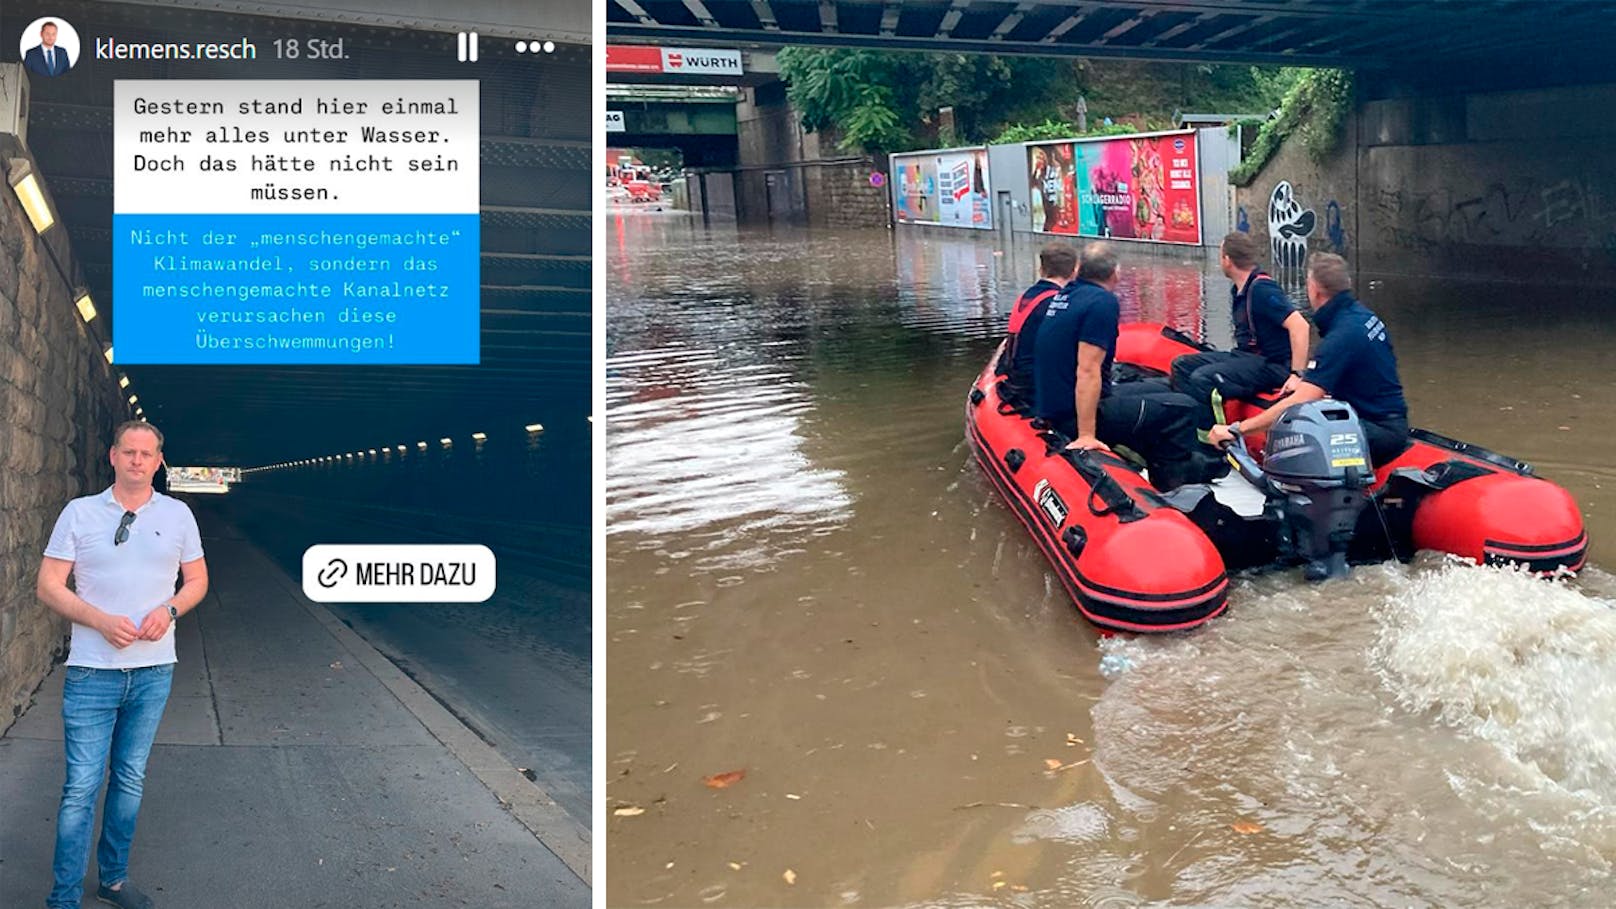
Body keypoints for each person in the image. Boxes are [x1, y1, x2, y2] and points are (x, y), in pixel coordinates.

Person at [37, 421, 208, 909]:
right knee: (81, 788)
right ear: (112, 456)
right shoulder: (80, 513)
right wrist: (98, 620)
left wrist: (169, 609)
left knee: (130, 778)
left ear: (158, 461)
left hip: (154, 670)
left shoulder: (178, 516)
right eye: (128, 451)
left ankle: (113, 880)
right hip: (92, 672)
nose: (137, 460)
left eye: (146, 453)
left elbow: (196, 580)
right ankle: (64, 897)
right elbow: (48, 585)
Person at [1033, 243, 1218, 491]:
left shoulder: (1068, 295)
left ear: (1079, 270)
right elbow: (1087, 371)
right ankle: (1174, 490)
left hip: (1057, 404)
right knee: (1183, 408)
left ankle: (1156, 456)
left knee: (1164, 386)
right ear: (1115, 273)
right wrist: (1087, 435)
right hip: (1073, 415)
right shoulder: (1102, 302)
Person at [1209, 252, 1409, 466]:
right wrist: (1303, 379)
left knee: (1294, 430)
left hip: (1377, 432)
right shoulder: (1362, 316)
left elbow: (1299, 401)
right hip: (1387, 421)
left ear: (1314, 288)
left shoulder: (1341, 336)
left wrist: (1237, 429)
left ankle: (1286, 490)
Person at [1171, 231, 1311, 431]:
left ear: (1227, 260)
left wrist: (1296, 374)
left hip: (1272, 365)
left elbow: (1300, 326)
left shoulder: (1262, 289)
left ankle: (1212, 445)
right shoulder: (1238, 290)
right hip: (1246, 356)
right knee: (1182, 365)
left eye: (1221, 256)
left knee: (1202, 378)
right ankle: (1186, 429)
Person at [997, 242, 1077, 401]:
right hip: (1035, 383)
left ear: (1041, 269)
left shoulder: (1027, 296)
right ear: (1074, 272)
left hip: (1016, 375)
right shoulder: (1060, 302)